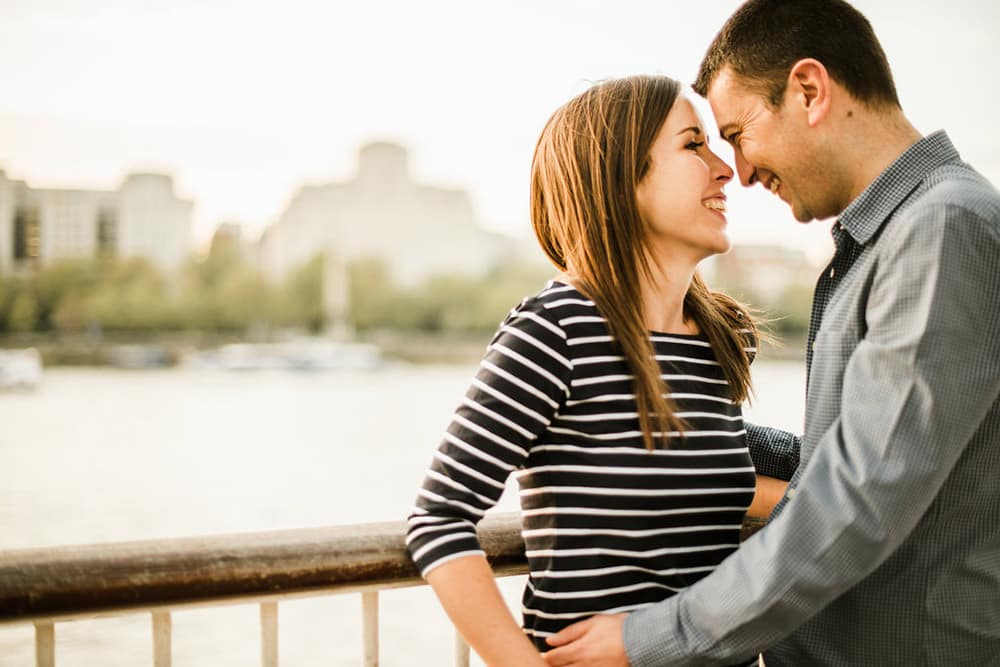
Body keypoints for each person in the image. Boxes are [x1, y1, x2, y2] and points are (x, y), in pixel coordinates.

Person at [541, 1, 1000, 666]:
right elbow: (857, 449)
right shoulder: (894, 237)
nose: (741, 171)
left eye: (736, 133)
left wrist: (649, 637)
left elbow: (861, 492)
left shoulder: (942, 229)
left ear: (809, 91)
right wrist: (663, 425)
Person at [405, 74, 786, 667]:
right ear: (619, 176)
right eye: (693, 145)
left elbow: (704, 486)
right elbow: (439, 520)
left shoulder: (719, 341)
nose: (726, 169)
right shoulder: (554, 332)